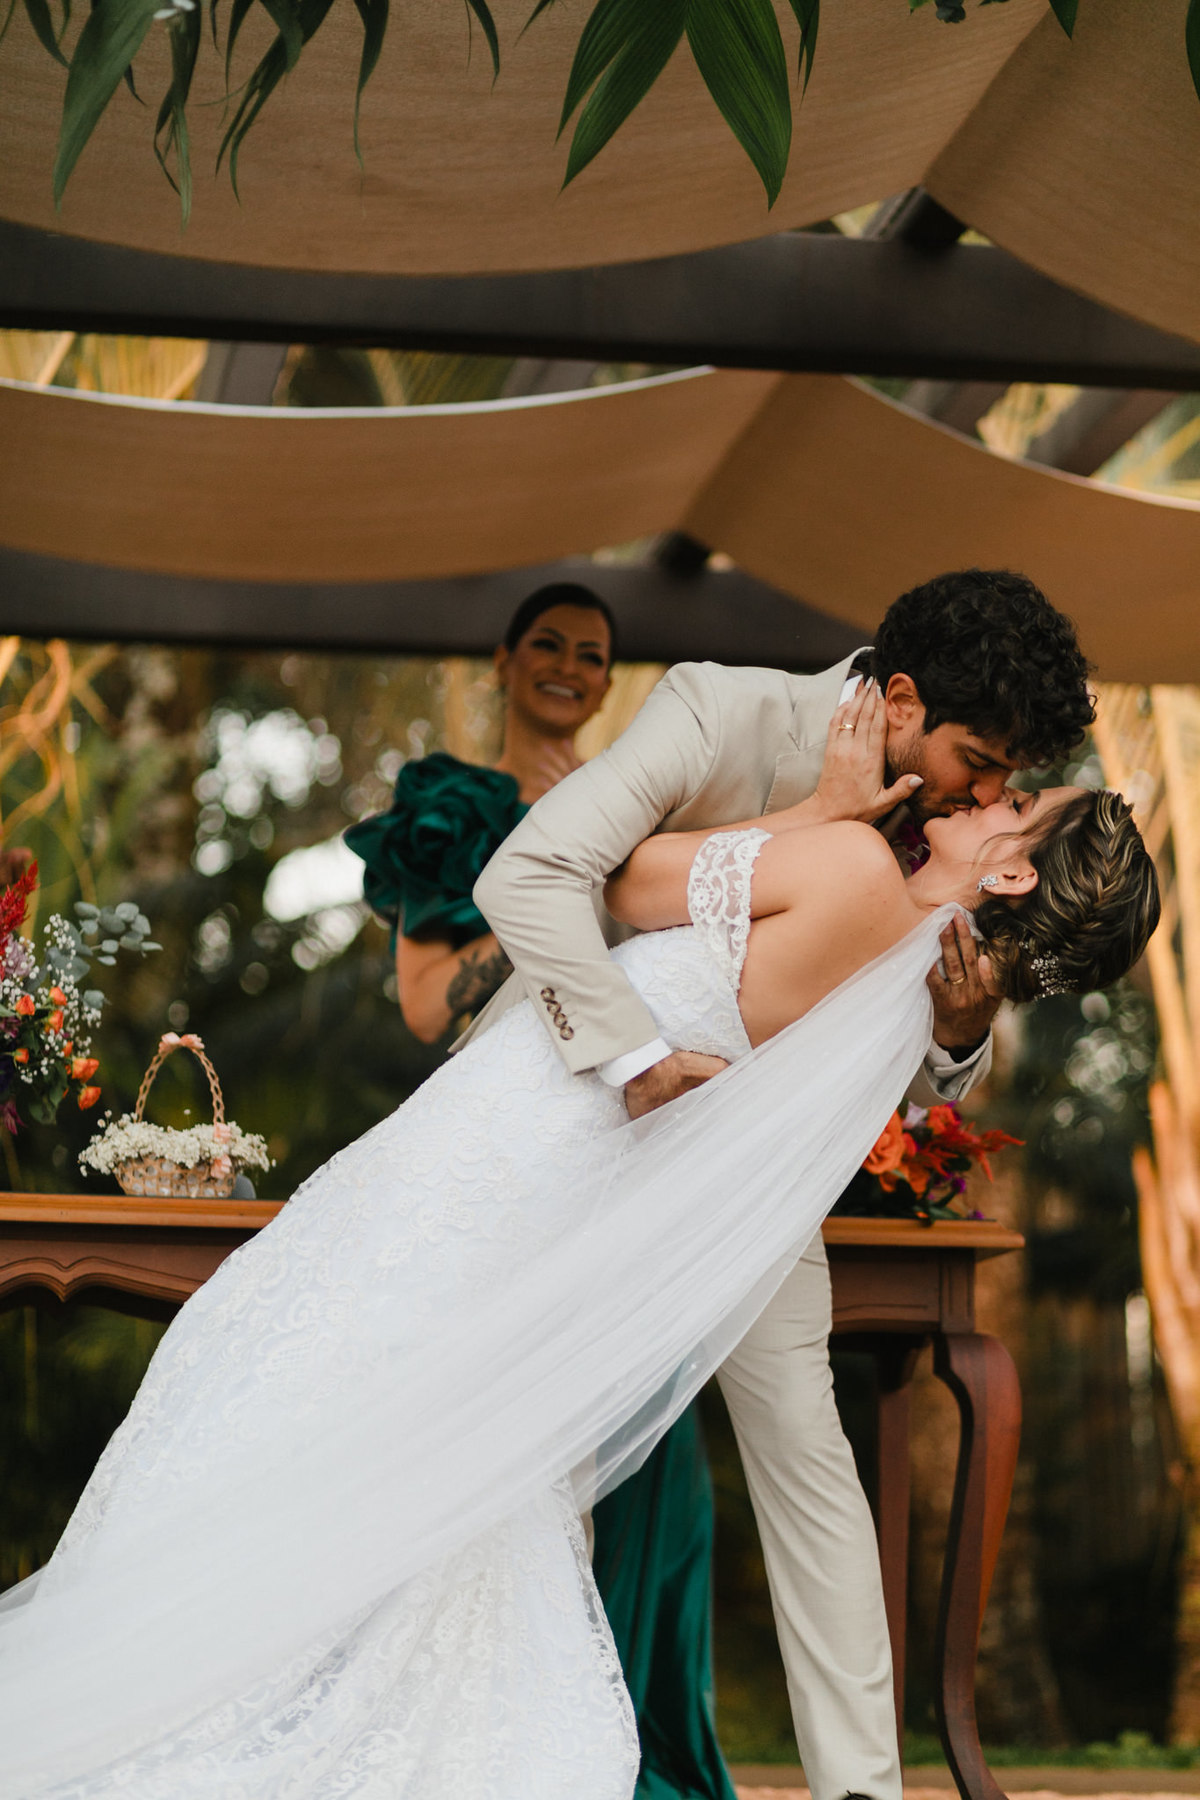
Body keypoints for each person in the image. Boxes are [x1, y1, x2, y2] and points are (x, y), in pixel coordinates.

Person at [0, 742, 1158, 1797]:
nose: (988, 796)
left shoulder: (855, 866)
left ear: (1014, 871)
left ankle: (171, 1700)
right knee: (425, 1445)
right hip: (568, 1181)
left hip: (515, 1146)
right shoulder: (913, 992)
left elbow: (625, 882)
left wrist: (817, 809)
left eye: (1017, 804)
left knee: (302, 1379)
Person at [466, 568, 1099, 1800]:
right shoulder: (719, 712)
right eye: (978, 762)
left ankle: (861, 1789)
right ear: (901, 700)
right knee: (546, 1453)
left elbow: (901, 1045)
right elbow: (536, 877)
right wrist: (639, 1061)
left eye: (1006, 779)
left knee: (809, 1457)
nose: (986, 797)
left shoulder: (954, 820)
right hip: (592, 1122)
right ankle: (543, 1765)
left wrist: (961, 1036)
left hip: (757, 1179)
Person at [348, 582, 739, 1800]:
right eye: (550, 646)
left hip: (642, 1147)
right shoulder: (456, 808)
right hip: (516, 1132)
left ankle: (637, 1735)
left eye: (594, 654)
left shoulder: (648, 800)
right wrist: (556, 901)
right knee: (520, 1441)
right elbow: (426, 1006)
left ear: (611, 680)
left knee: (658, 1453)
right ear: (506, 660)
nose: (571, 667)